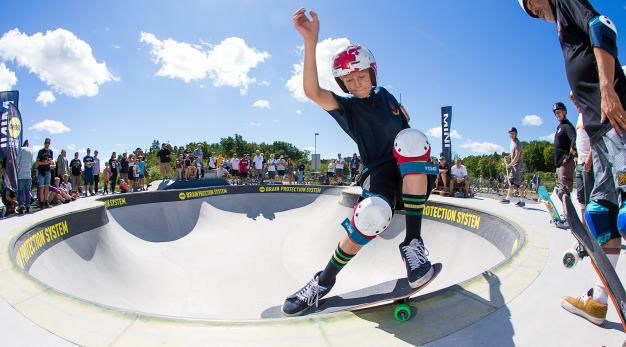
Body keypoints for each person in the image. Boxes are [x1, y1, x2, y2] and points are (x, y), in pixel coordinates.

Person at [283, 8, 437, 316]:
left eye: (361, 77)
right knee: (371, 215)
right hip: (378, 174)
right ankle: (322, 282)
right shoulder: (348, 109)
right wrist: (311, 41)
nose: (356, 85)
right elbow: (312, 92)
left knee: (411, 139)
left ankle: (413, 244)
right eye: (349, 81)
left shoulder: (388, 97)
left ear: (373, 73)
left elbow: (404, 127)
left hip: (411, 174)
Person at [518, 0, 626, 326]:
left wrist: (606, 89)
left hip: (615, 123)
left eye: (532, 5)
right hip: (601, 133)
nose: (535, 12)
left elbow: (601, 26)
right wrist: (584, 91)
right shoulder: (562, 26)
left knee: (621, 218)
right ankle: (599, 300)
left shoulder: (565, 4)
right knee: (600, 219)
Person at [572, 91, 594, 227]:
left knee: (590, 195)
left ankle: (592, 228)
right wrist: (576, 157)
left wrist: (590, 159)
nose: (575, 103)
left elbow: (595, 137)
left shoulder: (589, 113)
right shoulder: (579, 116)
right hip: (580, 162)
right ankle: (583, 226)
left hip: (589, 163)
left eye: (576, 99)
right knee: (580, 196)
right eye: (573, 101)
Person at [552, 102, 577, 210]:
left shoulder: (567, 126)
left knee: (565, 191)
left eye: (559, 112)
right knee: (561, 191)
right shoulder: (560, 126)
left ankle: (569, 218)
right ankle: (566, 214)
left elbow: (575, 139)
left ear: (565, 112)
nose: (558, 114)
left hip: (565, 163)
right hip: (559, 164)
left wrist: (569, 156)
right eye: (556, 113)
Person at [501, 127, 526, 207]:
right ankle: (507, 199)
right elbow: (513, 154)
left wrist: (509, 165)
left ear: (516, 134)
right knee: (511, 182)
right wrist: (508, 156)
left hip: (518, 166)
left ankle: (522, 201)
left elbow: (517, 156)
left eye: (513, 133)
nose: (511, 135)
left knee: (518, 184)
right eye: (510, 133)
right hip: (514, 166)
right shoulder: (512, 142)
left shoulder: (517, 143)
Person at [35, 138, 54, 209]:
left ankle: (46, 202)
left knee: (47, 187)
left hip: (48, 171)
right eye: (46, 142)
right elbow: (37, 162)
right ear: (44, 143)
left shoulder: (51, 151)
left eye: (48, 143)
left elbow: (51, 161)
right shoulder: (40, 151)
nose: (47, 144)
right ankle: (41, 203)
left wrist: (50, 162)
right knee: (41, 188)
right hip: (41, 171)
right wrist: (44, 162)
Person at [16, 140, 33, 214]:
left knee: (20, 192)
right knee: (27, 191)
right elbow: (32, 163)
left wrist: (18, 169)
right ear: (28, 144)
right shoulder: (30, 151)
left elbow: (17, 161)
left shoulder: (21, 149)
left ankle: (21, 206)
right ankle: (28, 206)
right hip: (28, 174)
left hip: (21, 174)